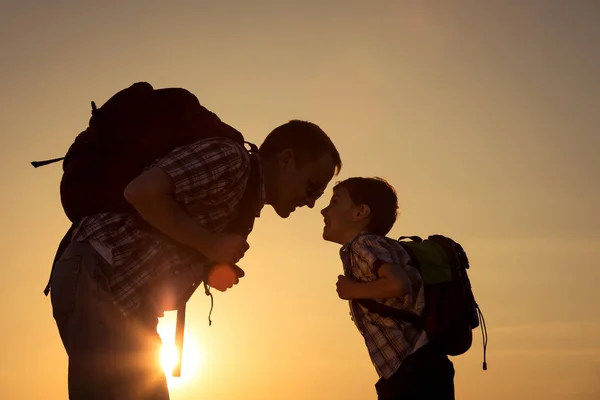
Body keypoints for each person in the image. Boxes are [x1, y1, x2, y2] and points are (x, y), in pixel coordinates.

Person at [49, 119, 342, 399]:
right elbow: (141, 192)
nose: (312, 201)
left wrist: (207, 267)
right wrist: (211, 244)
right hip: (98, 270)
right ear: (286, 159)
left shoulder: (245, 203)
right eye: (313, 186)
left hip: (128, 304)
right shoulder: (231, 159)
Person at [320, 177, 455, 400]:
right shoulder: (380, 246)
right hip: (422, 366)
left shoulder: (363, 245)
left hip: (412, 371)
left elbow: (398, 283)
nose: (324, 210)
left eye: (334, 202)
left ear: (360, 212)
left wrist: (351, 291)